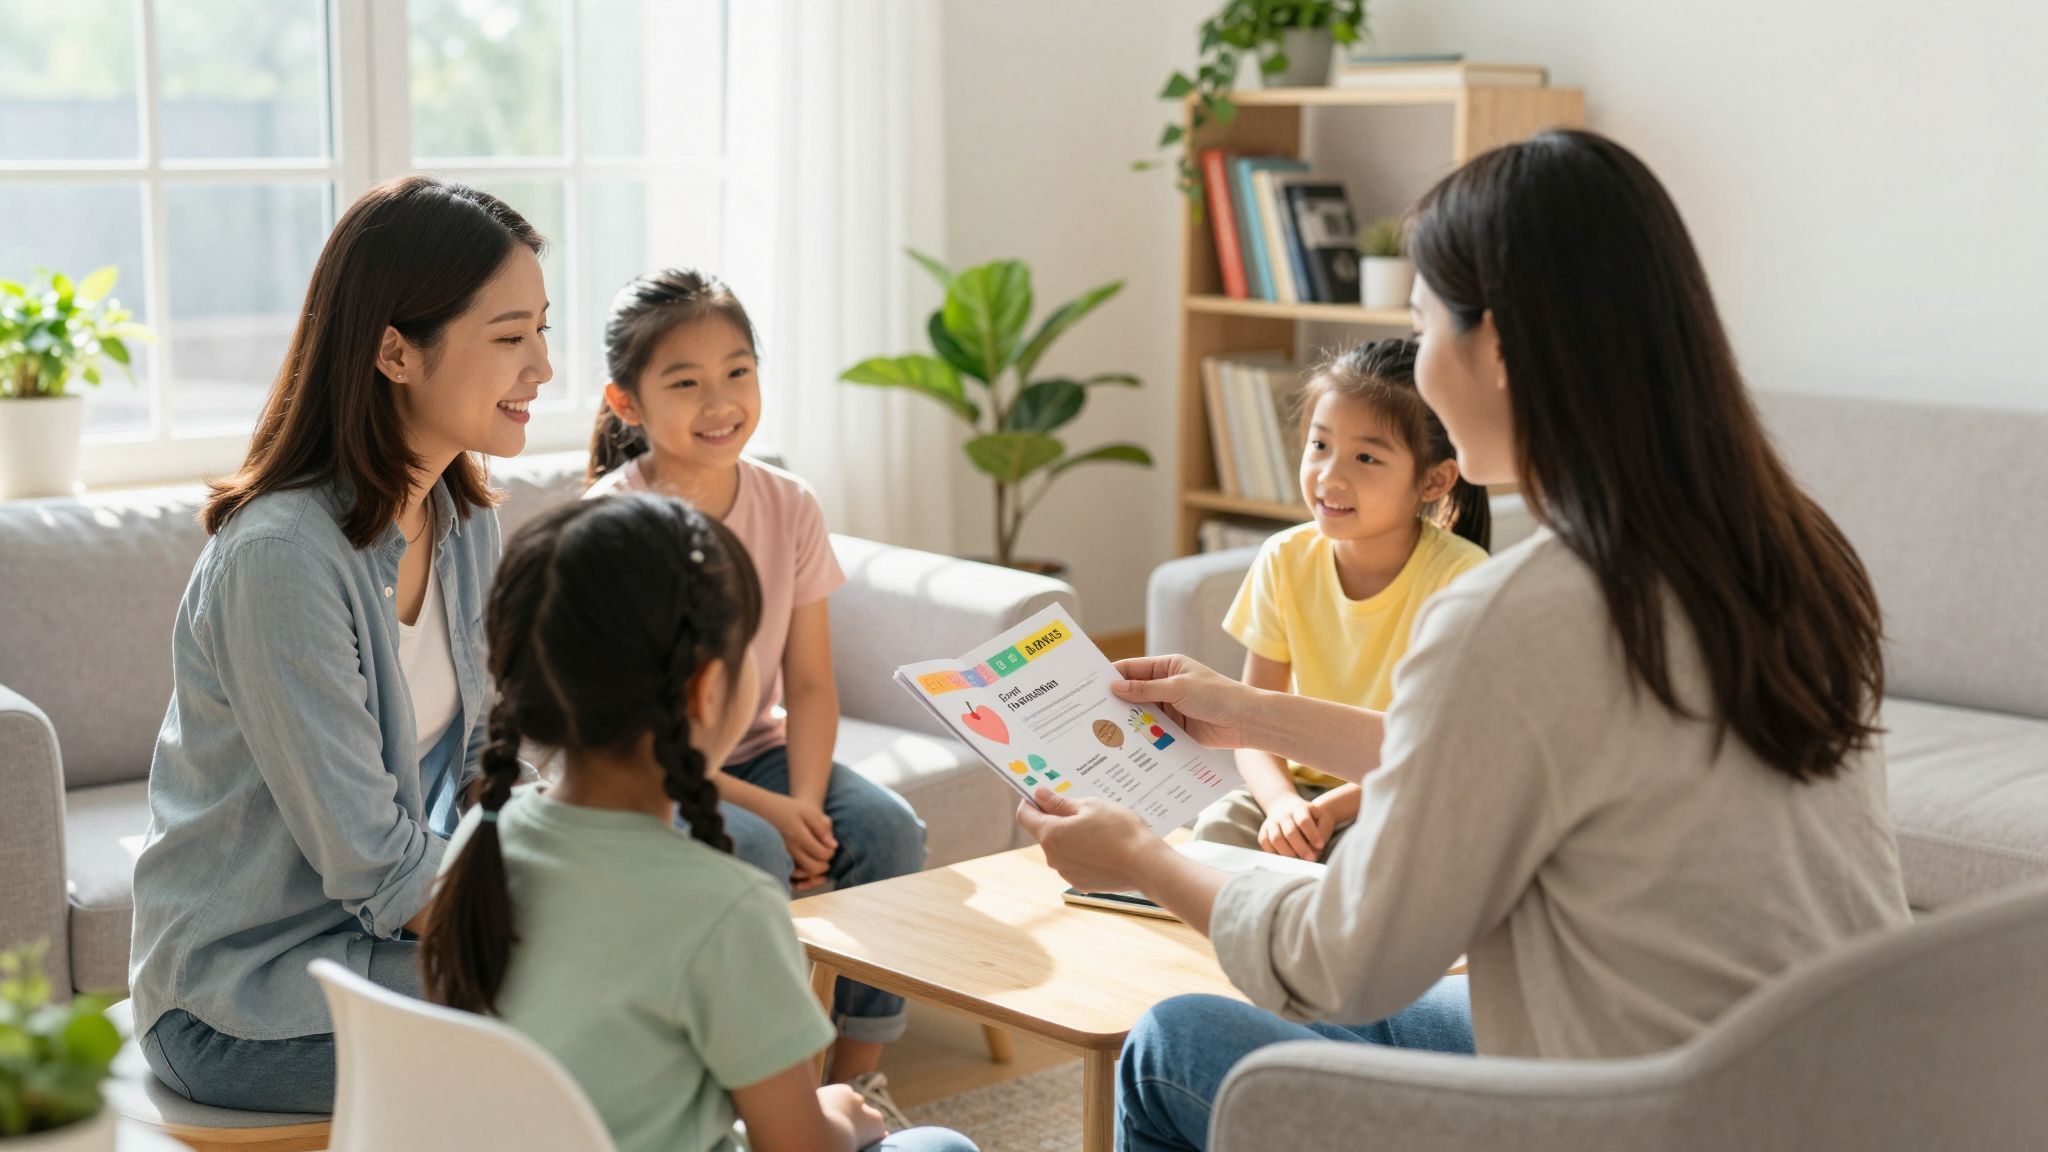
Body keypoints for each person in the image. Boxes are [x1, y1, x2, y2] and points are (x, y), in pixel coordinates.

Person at [1017, 129, 1912, 1152]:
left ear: (1491, 348)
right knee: (1399, 1021)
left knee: (1175, 1041)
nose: (1420, 359)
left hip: (1637, 1116)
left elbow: (1337, 962)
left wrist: (1139, 857)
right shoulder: (1787, 552)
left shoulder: (1521, 610)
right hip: (1825, 1087)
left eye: (1420, 323)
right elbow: (1540, 744)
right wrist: (1245, 709)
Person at [129, 175, 552, 1111]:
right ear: (395, 351)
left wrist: (584, 865)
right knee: (588, 1022)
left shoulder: (462, 515)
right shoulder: (281, 560)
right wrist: (560, 926)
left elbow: (492, 761)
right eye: (510, 335)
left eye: (542, 329)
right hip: (242, 997)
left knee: (634, 969)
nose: (542, 367)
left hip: (383, 943)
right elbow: (377, 860)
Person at [419, 494, 975, 1152]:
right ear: (708, 690)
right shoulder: (728, 910)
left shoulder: (474, 848)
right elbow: (797, 1146)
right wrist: (842, 1116)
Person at [581, 269, 928, 1093]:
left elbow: (808, 683)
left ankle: (855, 1082)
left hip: (762, 753)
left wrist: (805, 799)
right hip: (647, 772)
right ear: (626, 402)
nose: (721, 402)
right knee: (762, 850)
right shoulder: (610, 524)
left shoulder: (789, 503)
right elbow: (629, 734)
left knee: (890, 831)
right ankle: (766, 1096)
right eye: (686, 382)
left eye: (738, 372)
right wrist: (779, 816)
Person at [1192, 338, 1488, 861]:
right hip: (1297, 798)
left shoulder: (1462, 579)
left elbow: (1437, 751)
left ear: (1433, 479)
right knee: (1218, 831)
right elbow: (1249, 722)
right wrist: (1283, 804)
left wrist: (1333, 810)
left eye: (1367, 456)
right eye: (1319, 445)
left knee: (1382, 858)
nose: (1330, 475)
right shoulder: (1284, 558)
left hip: (1394, 794)